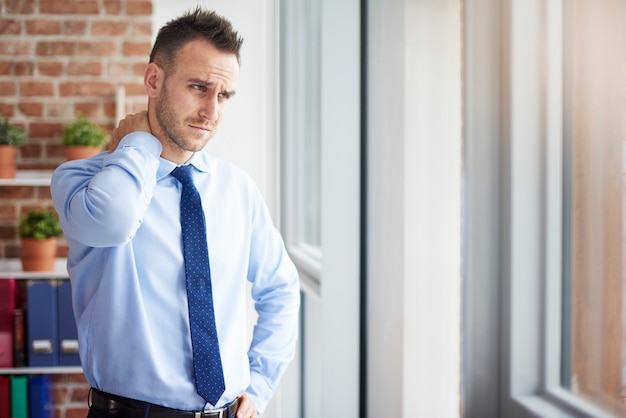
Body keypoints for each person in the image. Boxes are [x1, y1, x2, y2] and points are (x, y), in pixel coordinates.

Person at [51, 7, 300, 418]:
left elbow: (281, 288)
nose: (212, 112)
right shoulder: (80, 180)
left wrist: (260, 384)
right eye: (199, 88)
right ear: (154, 80)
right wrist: (137, 144)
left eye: (224, 95)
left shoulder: (237, 189)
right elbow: (113, 222)